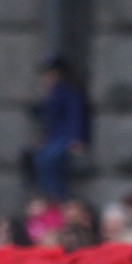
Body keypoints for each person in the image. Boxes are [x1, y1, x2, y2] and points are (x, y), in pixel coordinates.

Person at [29, 57, 91, 202]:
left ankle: (57, 196)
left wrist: (77, 139)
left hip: (65, 137)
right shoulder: (53, 92)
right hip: (54, 137)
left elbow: (75, 115)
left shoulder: (69, 91)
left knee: (51, 159)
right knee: (38, 158)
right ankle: (45, 195)